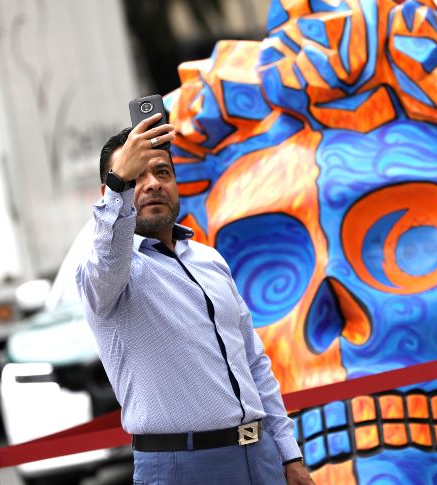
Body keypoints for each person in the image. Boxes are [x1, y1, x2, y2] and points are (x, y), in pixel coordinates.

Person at [76, 113, 314, 485]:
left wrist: (289, 454)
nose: (151, 184)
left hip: (261, 458)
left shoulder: (210, 259)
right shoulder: (109, 272)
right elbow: (108, 256)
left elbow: (254, 363)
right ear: (113, 190)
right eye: (137, 176)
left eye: (162, 173)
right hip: (180, 468)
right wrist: (117, 182)